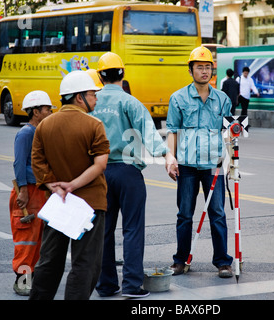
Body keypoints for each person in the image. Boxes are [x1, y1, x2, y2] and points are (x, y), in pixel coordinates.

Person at [91, 52, 178, 299]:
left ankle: (106, 285)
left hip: (99, 174)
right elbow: (150, 134)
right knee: (132, 230)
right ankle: (131, 286)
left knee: (103, 231)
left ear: (100, 76)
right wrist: (167, 157)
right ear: (122, 74)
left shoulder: (91, 102)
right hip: (129, 173)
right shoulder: (131, 103)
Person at [29, 70, 110, 300]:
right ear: (79, 97)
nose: (96, 98)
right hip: (90, 205)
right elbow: (100, 164)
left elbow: (38, 161)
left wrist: (54, 186)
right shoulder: (94, 125)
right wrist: (73, 185)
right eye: (93, 94)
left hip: (59, 203)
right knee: (85, 264)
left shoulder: (44, 126)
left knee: (49, 261)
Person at [166, 46, 234, 278]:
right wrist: (170, 158)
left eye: (208, 67)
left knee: (217, 213)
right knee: (185, 214)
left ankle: (223, 262)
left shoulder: (222, 99)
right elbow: (172, 131)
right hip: (186, 166)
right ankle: (181, 260)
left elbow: (229, 133)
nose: (204, 71)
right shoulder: (178, 98)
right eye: (200, 67)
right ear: (191, 70)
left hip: (214, 167)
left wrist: (232, 159)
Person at [9, 90, 54, 296]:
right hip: (28, 192)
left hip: (40, 192)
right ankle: (23, 279)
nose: (50, 111)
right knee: (27, 239)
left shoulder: (41, 131)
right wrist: (24, 191)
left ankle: (33, 276)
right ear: (35, 111)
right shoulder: (26, 133)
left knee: (38, 238)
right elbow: (19, 163)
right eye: (47, 109)